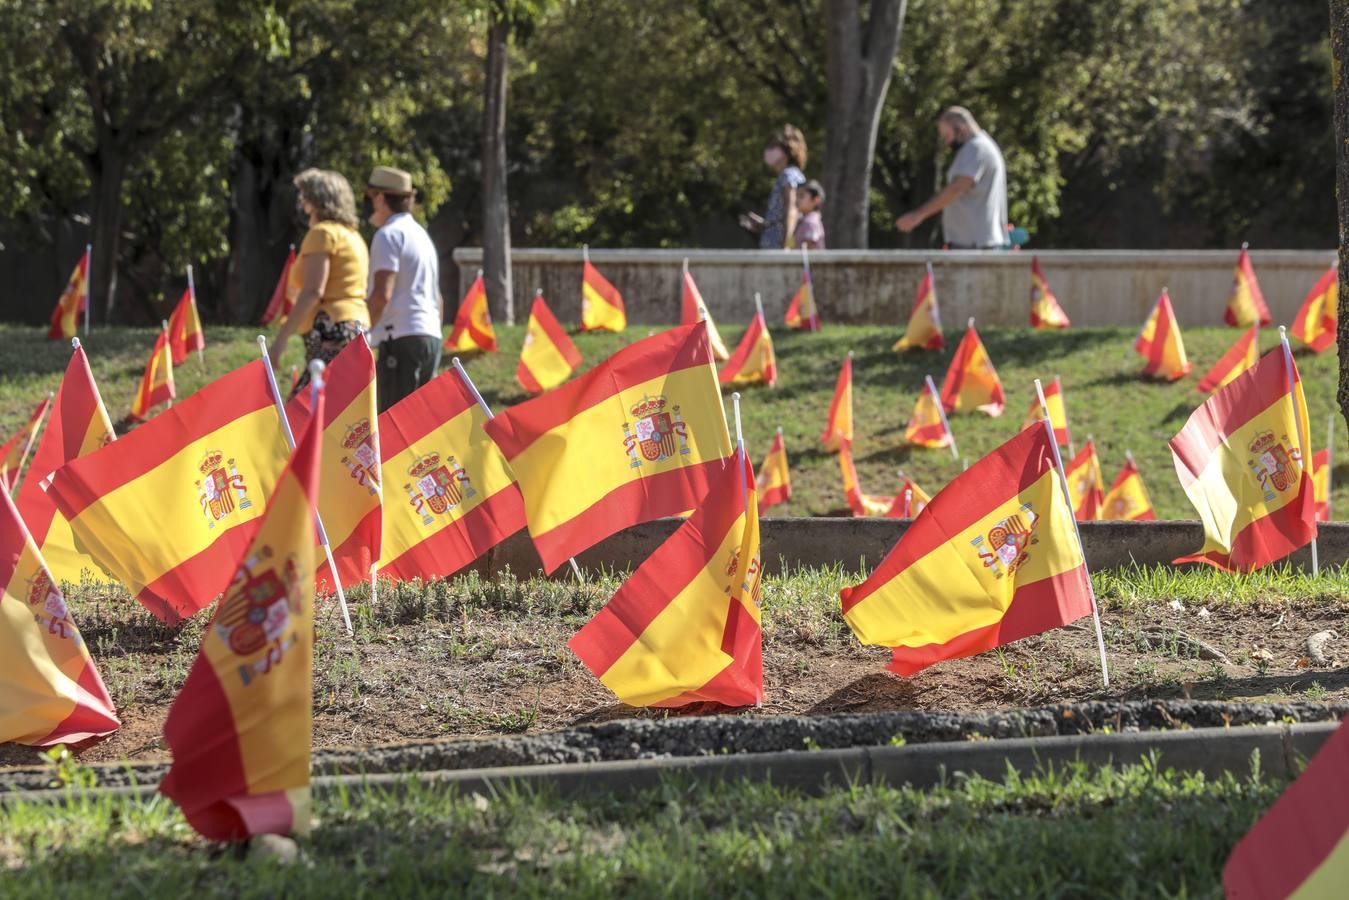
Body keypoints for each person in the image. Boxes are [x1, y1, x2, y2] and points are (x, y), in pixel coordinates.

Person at [269, 168, 370, 395]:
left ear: (318, 200)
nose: (302, 204)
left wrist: (281, 338)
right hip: (357, 328)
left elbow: (313, 290)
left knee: (303, 413)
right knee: (334, 414)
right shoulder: (354, 236)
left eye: (304, 197)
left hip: (332, 327)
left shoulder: (322, 233)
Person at [363, 166, 444, 412]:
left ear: (380, 197)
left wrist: (360, 336)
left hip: (400, 339)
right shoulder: (421, 235)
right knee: (414, 427)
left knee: (391, 424)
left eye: (370, 196)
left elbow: (381, 295)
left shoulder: (388, 235)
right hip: (429, 337)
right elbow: (438, 299)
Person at [895, 107, 1008, 250]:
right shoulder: (981, 146)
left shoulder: (976, 148)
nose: (947, 142)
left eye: (947, 135)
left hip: (975, 244)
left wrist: (918, 215)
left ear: (960, 127)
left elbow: (956, 188)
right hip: (976, 241)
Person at [739, 125, 808, 250]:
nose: (769, 151)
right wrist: (764, 224)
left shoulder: (789, 175)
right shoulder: (786, 175)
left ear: (788, 150)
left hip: (778, 247)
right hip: (773, 244)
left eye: (774, 146)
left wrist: (786, 244)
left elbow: (791, 210)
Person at [791, 180, 826, 250]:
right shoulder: (802, 220)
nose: (796, 200)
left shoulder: (811, 222)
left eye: (801, 196)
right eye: (796, 196)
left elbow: (810, 250)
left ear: (816, 200)